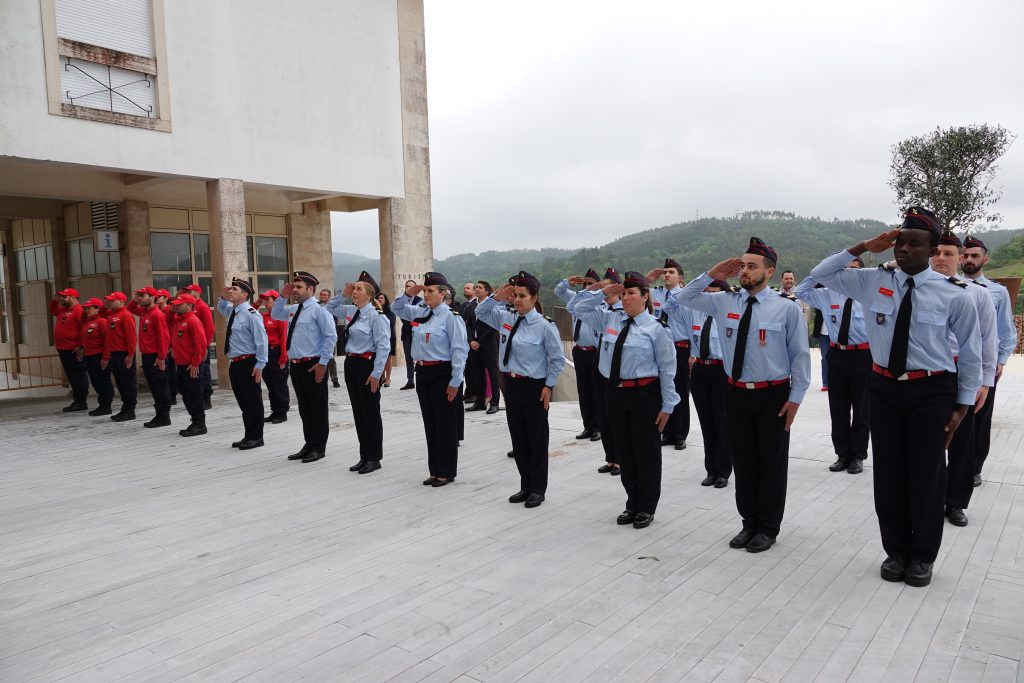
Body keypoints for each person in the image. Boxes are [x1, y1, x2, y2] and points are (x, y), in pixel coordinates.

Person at [809, 208, 981, 587]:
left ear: (934, 249)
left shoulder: (956, 297)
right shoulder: (873, 281)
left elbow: (971, 354)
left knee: (926, 473)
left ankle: (922, 556)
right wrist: (863, 248)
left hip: (931, 390)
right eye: (900, 242)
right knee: (888, 473)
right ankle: (896, 550)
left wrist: (963, 405)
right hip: (884, 387)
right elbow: (819, 276)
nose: (904, 249)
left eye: (914, 243)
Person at [679, 237, 811, 553]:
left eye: (752, 266)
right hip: (735, 393)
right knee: (745, 461)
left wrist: (796, 398)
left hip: (773, 395)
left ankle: (767, 526)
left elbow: (800, 356)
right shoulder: (724, 301)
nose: (745, 271)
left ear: (770, 272)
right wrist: (714, 273)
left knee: (771, 463)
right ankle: (748, 522)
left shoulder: (786, 308)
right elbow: (684, 297)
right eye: (743, 265)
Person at [569, 271, 679, 529]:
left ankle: (647, 506)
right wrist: (603, 292)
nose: (626, 298)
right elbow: (576, 306)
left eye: (631, 293)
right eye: (624, 293)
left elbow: (667, 369)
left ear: (645, 297)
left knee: (646, 453)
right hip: (615, 393)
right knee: (625, 452)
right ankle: (632, 503)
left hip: (644, 395)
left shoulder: (657, 329)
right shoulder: (609, 319)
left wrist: (667, 405)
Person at [476, 271, 566, 508]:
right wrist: (497, 296)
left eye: (522, 296)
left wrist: (548, 386)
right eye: (515, 295)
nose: (517, 300)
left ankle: (537, 488)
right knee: (518, 438)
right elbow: (480, 312)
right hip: (511, 384)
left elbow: (557, 360)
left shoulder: (545, 326)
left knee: (536, 438)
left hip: (534, 386)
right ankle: (525, 485)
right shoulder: (506, 317)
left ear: (534, 298)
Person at [929, 232, 996, 527]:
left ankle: (955, 502)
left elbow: (987, 340)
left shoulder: (977, 293)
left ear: (959, 258)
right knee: (929, 439)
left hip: (963, 373)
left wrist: (984, 382)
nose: (941, 258)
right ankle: (926, 497)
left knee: (962, 440)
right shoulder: (917, 289)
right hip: (930, 375)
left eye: (948, 253)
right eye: (937, 253)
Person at [794, 258, 871, 474]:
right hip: (837, 355)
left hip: (864, 356)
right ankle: (842, 454)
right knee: (838, 408)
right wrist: (826, 269)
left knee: (862, 409)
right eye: (845, 270)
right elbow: (801, 291)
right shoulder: (828, 294)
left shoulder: (870, 296)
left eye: (855, 270)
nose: (849, 273)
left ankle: (857, 455)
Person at [392, 272, 469, 487]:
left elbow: (459, 350)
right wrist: (409, 292)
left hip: (443, 373)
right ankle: (434, 469)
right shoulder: (420, 312)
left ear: (443, 294)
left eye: (430, 291)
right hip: (423, 372)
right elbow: (396, 308)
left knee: (445, 424)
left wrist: (456, 381)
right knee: (430, 423)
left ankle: (446, 471)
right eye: (425, 290)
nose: (426, 294)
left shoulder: (451, 318)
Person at [961, 235, 1018, 487]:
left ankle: (973, 468)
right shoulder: (946, 285)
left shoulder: (997, 292)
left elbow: (1006, 331)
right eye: (965, 255)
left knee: (979, 420)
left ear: (985, 258)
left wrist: (1001, 361)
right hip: (951, 365)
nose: (969, 260)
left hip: (984, 366)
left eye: (974, 255)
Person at [666, 278, 733, 487]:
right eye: (707, 292)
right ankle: (711, 469)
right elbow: (669, 305)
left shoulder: (729, 315)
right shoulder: (692, 312)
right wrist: (701, 281)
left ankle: (723, 471)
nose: (710, 296)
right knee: (706, 423)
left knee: (722, 423)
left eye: (715, 292)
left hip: (722, 371)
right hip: (700, 370)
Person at [326, 272, 392, 474]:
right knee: (359, 412)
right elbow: (329, 308)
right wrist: (342, 294)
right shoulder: (351, 311)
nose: (354, 292)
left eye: (358, 289)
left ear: (369, 294)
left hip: (368, 366)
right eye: (354, 289)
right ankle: (364, 455)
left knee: (370, 413)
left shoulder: (377, 316)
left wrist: (377, 373)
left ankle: (374, 457)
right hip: (351, 363)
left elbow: (384, 347)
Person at [273, 272, 338, 463]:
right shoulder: (294, 309)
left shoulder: (319, 311)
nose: (295, 290)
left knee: (317, 408)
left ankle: (318, 447)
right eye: (294, 287)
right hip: (297, 365)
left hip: (313, 364)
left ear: (310, 289)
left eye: (299, 287)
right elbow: (276, 313)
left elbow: (330, 337)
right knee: (304, 408)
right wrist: (282, 296)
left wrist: (323, 363)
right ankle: (308, 444)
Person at [217, 277, 270, 450]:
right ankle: (249, 435)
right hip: (236, 363)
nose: (231, 291)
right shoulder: (234, 311)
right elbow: (221, 307)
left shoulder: (251, 314)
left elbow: (262, 341)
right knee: (243, 402)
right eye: (231, 288)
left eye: (234, 289)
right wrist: (223, 296)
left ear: (245, 294)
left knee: (253, 401)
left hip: (249, 362)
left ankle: (257, 437)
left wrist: (260, 364)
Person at [647, 258, 691, 450]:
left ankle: (680, 434)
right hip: (659, 348)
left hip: (680, 347)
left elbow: (692, 324)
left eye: (671, 272)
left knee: (680, 390)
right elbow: (635, 288)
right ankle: (668, 432)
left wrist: (694, 353)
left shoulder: (686, 296)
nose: (666, 275)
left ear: (680, 277)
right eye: (665, 272)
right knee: (663, 391)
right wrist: (647, 278)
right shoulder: (655, 293)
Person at [554, 269, 603, 441]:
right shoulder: (576, 299)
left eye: (592, 284)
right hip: (580, 350)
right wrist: (567, 281)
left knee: (596, 391)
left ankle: (598, 427)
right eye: (585, 284)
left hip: (595, 351)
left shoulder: (601, 302)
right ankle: (587, 426)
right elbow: (558, 291)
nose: (588, 288)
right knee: (583, 391)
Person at [128, 286, 172, 428]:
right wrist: (135, 300)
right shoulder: (144, 312)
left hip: (155, 356)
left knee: (160, 386)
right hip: (147, 356)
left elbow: (164, 338)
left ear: (152, 297)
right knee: (153, 386)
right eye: (139, 295)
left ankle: (164, 416)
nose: (140, 298)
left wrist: (161, 357)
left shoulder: (157, 314)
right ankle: (159, 414)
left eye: (143, 295)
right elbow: (130, 309)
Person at [168, 294, 209, 436]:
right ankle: (195, 420)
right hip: (180, 364)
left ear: (190, 306)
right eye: (176, 304)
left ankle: (200, 424)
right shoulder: (178, 320)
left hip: (191, 365)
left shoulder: (193, 320)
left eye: (180, 304)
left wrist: (195, 363)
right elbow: (166, 320)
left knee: (194, 394)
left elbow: (201, 344)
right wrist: (171, 309)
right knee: (186, 394)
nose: (176, 305)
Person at [49, 287, 88, 412]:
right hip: (63, 348)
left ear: (73, 298)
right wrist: (55, 301)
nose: (62, 299)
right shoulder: (63, 310)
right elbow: (52, 310)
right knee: (71, 375)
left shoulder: (79, 311)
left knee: (78, 375)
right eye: (61, 297)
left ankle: (81, 401)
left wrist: (81, 346)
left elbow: (84, 329)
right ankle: (77, 400)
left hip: (73, 349)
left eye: (64, 297)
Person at [101, 291, 138, 422]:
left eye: (112, 300)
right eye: (108, 300)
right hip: (114, 353)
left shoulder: (126, 315)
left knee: (128, 382)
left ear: (121, 301)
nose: (109, 302)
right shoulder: (110, 315)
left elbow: (131, 337)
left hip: (124, 354)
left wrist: (130, 354)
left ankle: (130, 409)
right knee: (120, 383)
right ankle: (125, 407)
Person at [466, 280, 502, 414]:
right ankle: (479, 402)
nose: (477, 289)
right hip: (474, 345)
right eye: (476, 287)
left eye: (480, 287)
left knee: (493, 374)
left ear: (487, 291)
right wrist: (470, 340)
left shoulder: (493, 305)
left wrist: (480, 342)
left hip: (488, 344)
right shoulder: (471, 305)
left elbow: (493, 326)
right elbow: (468, 325)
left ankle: (494, 402)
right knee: (477, 373)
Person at [178, 284, 215, 409]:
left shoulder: (202, 307)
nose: (187, 293)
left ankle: (206, 399)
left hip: (202, 345)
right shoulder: (184, 308)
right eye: (186, 291)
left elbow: (209, 328)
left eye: (190, 291)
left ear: (198, 293)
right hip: (193, 347)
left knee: (204, 371)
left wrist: (206, 346)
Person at [256, 290, 290, 423]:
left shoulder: (280, 317)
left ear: (276, 301)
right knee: (270, 384)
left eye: (268, 299)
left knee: (279, 384)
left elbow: (284, 338)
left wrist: (283, 357)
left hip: (276, 352)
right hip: (266, 354)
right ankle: (275, 410)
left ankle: (282, 412)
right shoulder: (263, 316)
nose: (265, 302)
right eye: (264, 299)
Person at [78, 298, 114, 416]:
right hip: (89, 355)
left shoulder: (102, 322)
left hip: (99, 355)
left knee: (102, 380)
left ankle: (106, 405)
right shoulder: (87, 322)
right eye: (85, 308)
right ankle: (102, 404)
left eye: (89, 308)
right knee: (94, 381)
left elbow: (107, 341)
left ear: (98, 309)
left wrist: (105, 357)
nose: (86, 310)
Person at [398, 279, 421, 390]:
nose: (409, 288)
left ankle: (420, 378)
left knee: (419, 356)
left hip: (417, 333)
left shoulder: (420, 301)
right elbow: (401, 315)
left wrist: (412, 322)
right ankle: (410, 381)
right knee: (408, 357)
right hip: (406, 332)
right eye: (407, 286)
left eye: (411, 286)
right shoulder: (402, 302)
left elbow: (421, 317)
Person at [318, 288, 343, 388]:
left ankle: (334, 379)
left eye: (325, 295)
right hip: (317, 339)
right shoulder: (316, 306)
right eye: (321, 294)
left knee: (330, 359)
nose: (322, 296)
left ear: (329, 297)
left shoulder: (331, 308)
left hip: (328, 338)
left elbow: (335, 321)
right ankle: (322, 378)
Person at [376, 292, 397, 387]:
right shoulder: (373, 311)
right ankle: (382, 377)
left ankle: (388, 378)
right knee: (379, 357)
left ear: (385, 300)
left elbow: (390, 324)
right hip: (377, 338)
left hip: (389, 337)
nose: (380, 299)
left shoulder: (390, 312)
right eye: (378, 298)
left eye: (382, 298)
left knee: (388, 358)